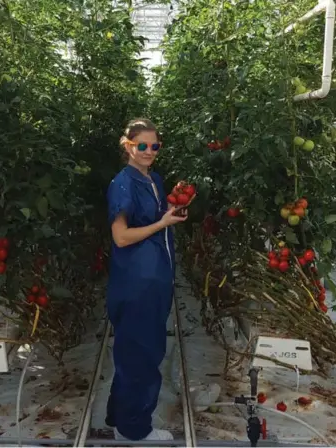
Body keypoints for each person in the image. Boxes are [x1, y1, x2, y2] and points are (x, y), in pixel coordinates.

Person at [105, 118, 188, 441]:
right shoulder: (123, 184)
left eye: (155, 146)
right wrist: (161, 223)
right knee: (143, 355)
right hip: (137, 283)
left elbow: (155, 218)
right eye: (142, 145)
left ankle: (117, 417)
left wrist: (173, 210)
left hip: (152, 279)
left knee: (133, 352)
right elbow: (122, 237)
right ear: (128, 146)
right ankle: (133, 430)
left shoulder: (153, 179)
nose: (149, 151)